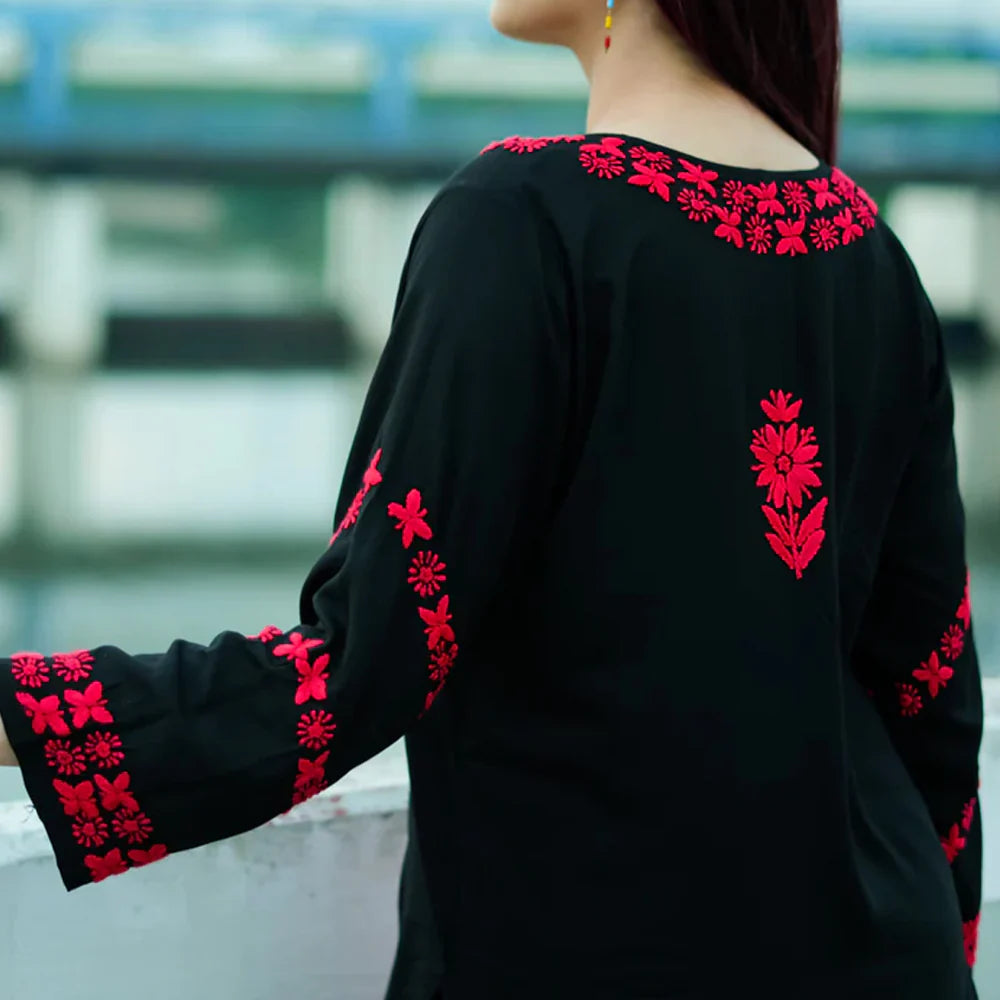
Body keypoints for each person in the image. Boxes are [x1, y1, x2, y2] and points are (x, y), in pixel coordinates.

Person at [0, 1, 984, 997]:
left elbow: (355, 664)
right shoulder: (870, 252)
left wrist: (27, 713)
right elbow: (931, 695)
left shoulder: (521, 218)